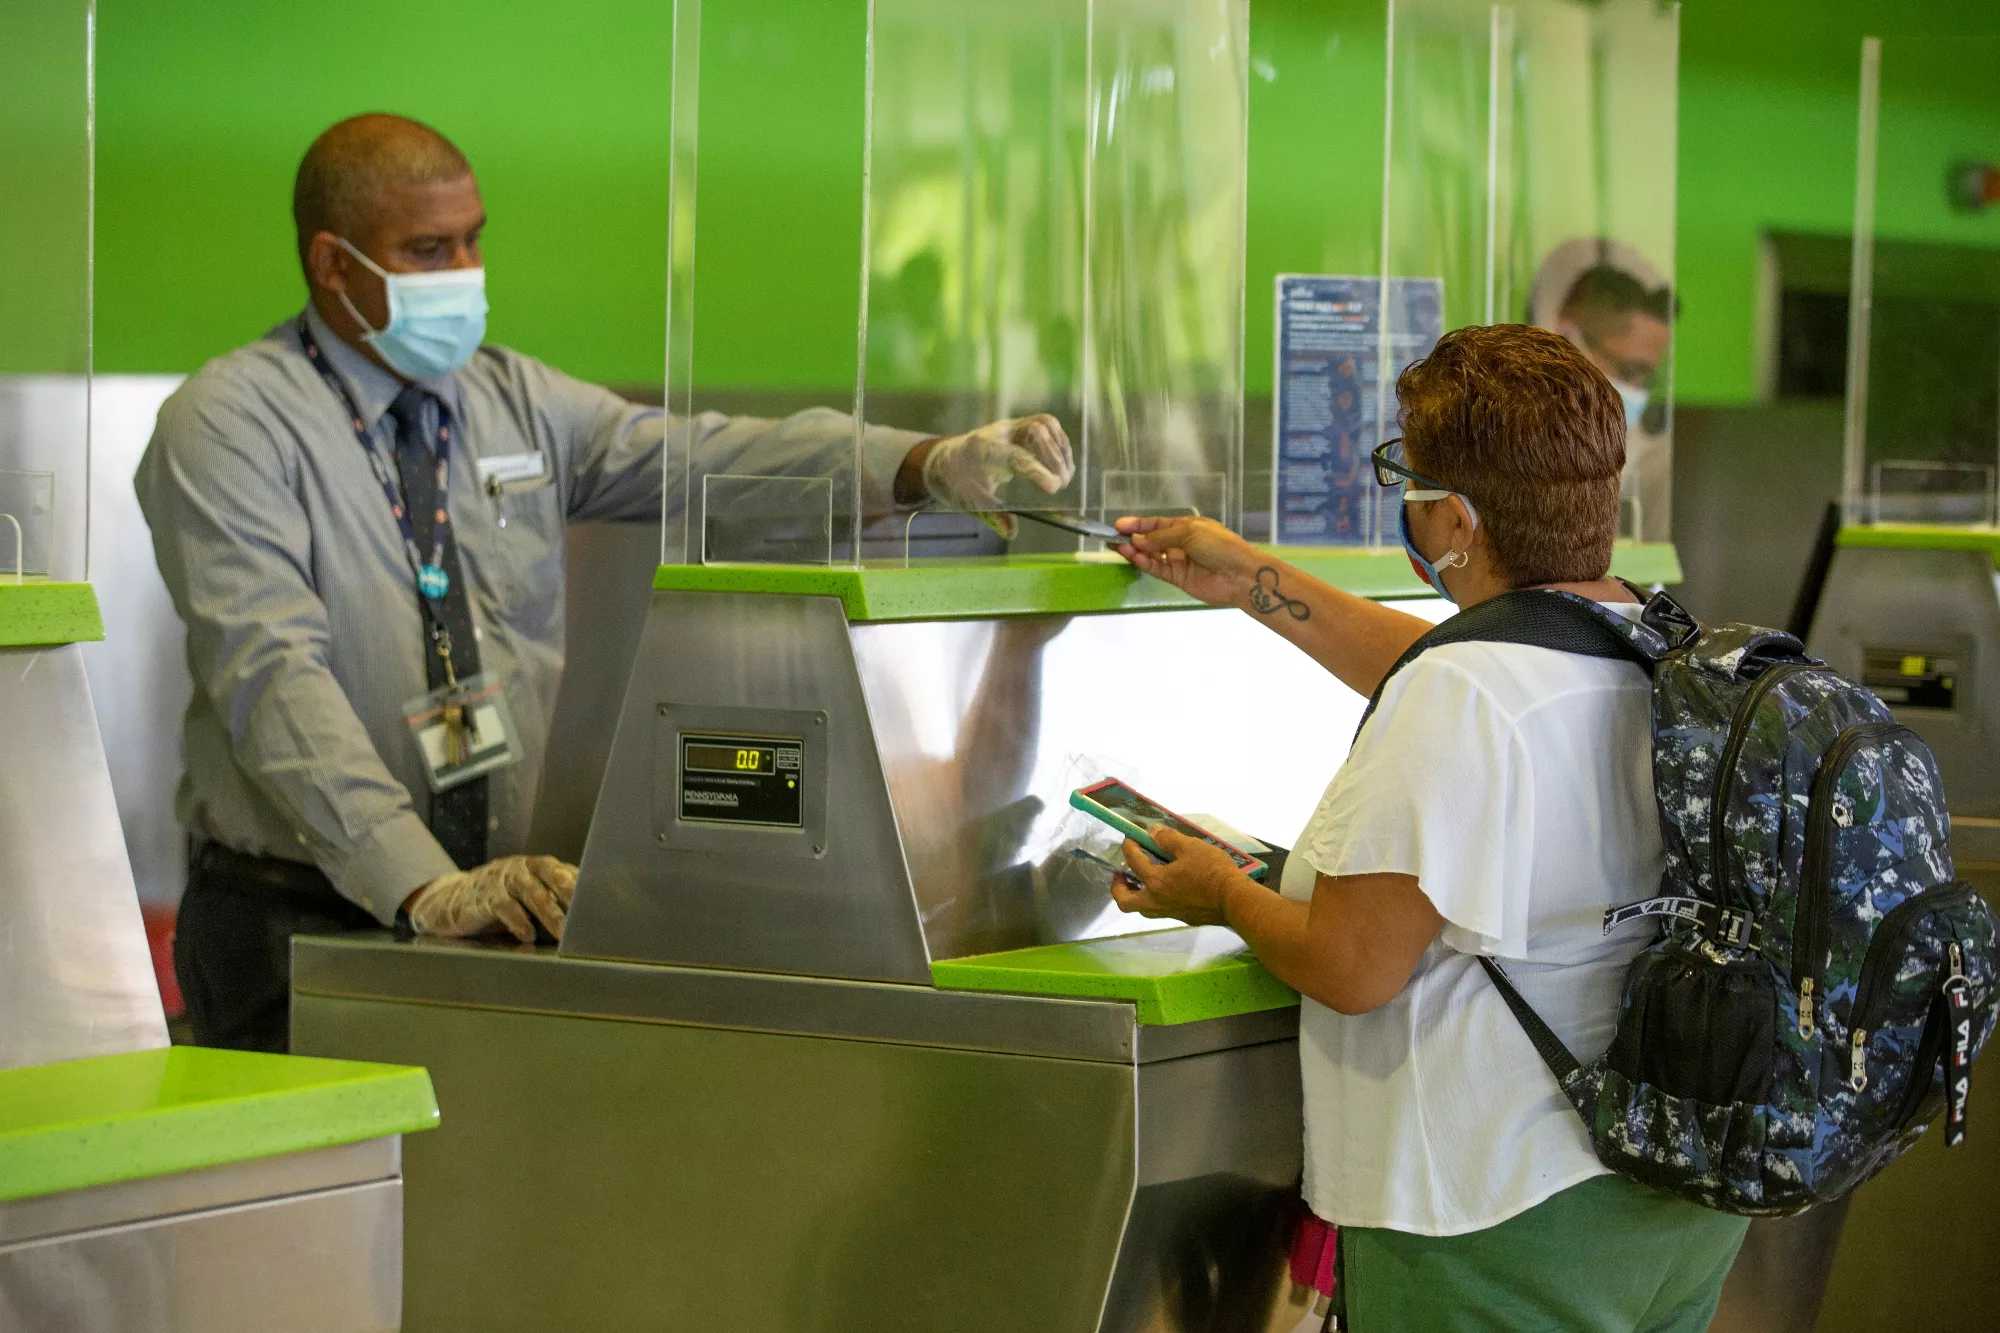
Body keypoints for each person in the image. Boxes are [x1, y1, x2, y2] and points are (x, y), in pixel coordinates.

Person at [136, 113, 1073, 1053]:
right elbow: (272, 678)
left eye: (473, 239)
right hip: (295, 917)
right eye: (427, 250)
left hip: (482, 904)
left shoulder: (514, 401)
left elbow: (707, 460)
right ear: (333, 265)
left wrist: (919, 462)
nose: (464, 271)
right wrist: (422, 887)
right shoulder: (230, 425)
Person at [1105, 324, 1748, 1330]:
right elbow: (1453, 664)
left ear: (1456, 516)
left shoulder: (1460, 697)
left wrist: (1218, 889)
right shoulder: (1649, 641)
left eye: (1407, 476)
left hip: (1496, 1213)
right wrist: (1250, 582)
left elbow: (1353, 969)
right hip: (1662, 1200)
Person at [1547, 260, 1676, 542]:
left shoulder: (1647, 459)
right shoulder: (1510, 440)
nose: (1636, 391)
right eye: (1628, 371)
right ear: (1567, 338)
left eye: (1647, 378)